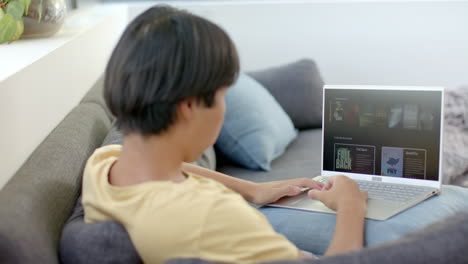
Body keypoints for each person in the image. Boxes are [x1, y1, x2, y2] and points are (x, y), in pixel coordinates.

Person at [82, 5, 368, 264]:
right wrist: (350, 205)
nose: (223, 109)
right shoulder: (210, 216)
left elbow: (173, 167)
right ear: (189, 107)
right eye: (222, 96)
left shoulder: (103, 165)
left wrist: (251, 189)